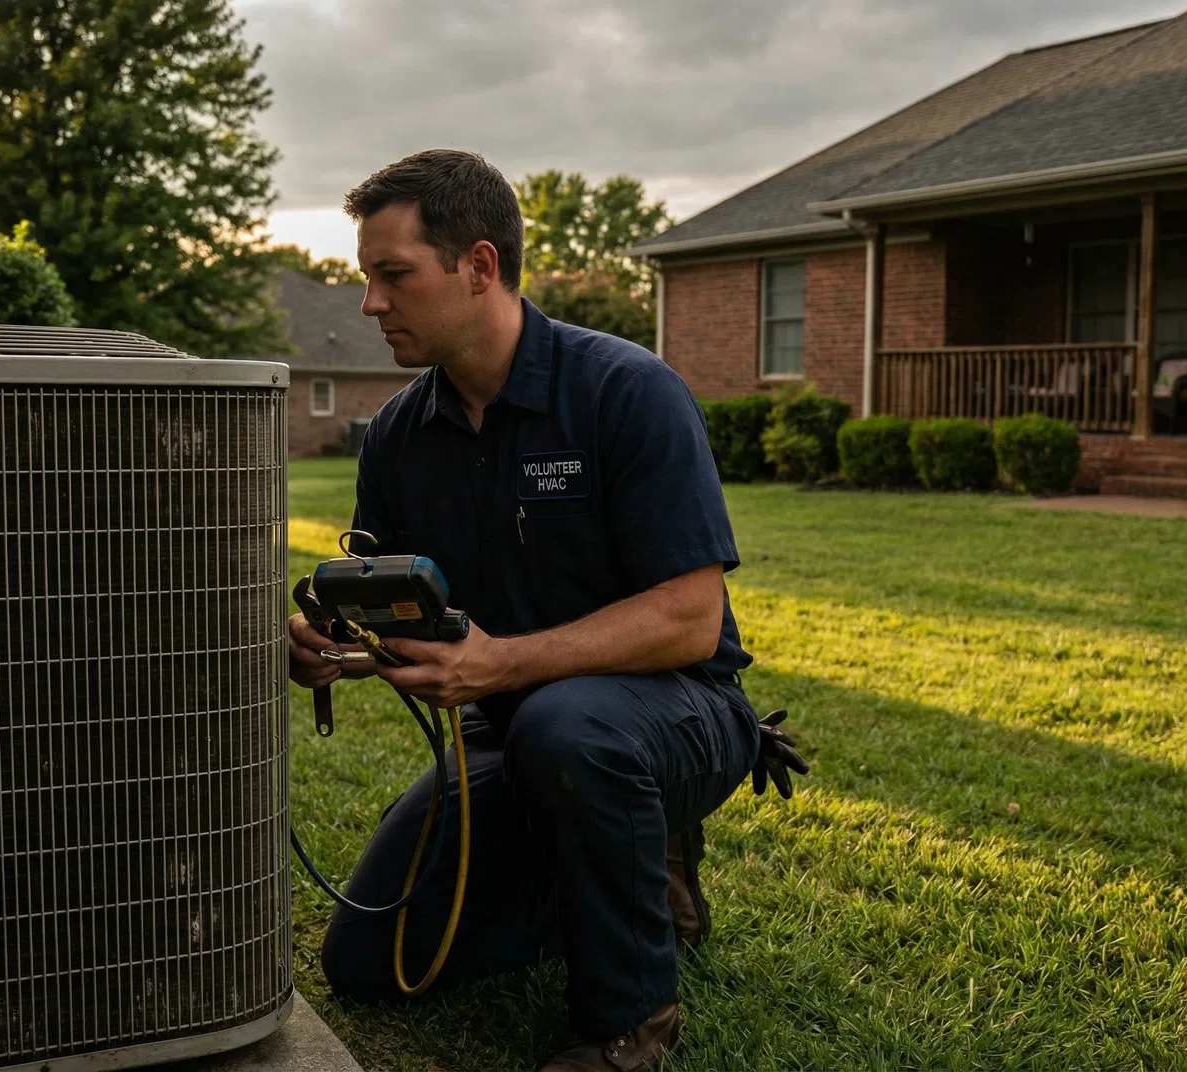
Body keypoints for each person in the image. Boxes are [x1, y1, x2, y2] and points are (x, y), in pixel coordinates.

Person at [288, 148, 806, 1072]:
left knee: (571, 730)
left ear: (478, 267)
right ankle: (627, 868)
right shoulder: (401, 435)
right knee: (370, 964)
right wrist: (335, 643)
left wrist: (502, 666)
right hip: (511, 733)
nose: (371, 304)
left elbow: (691, 619)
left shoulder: (625, 391)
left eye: (393, 276)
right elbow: (389, 602)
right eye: (366, 280)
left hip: (675, 709)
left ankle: (627, 1025)